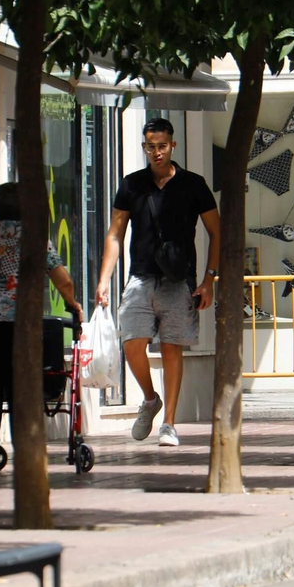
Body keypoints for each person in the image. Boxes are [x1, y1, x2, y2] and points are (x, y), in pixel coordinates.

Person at [95, 116, 220, 447]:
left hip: (179, 279)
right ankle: (151, 399)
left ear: (173, 146)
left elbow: (216, 231)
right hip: (140, 275)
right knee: (132, 341)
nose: (157, 152)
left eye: (162, 146)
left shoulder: (193, 184)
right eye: (150, 147)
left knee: (171, 347)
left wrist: (209, 280)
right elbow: (115, 233)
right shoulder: (132, 184)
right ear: (144, 147)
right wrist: (105, 278)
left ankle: (169, 423)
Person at [0, 182, 82, 474]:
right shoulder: (33, 237)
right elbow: (61, 279)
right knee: (21, 390)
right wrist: (73, 304)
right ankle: (26, 453)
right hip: (17, 321)